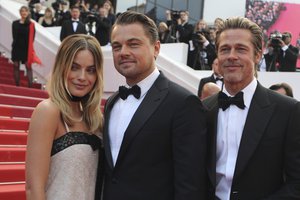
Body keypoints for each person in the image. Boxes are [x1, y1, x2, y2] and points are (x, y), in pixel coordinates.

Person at [96, 10, 207, 200]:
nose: (123, 52)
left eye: (133, 44)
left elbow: (190, 185)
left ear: (156, 48)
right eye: (117, 46)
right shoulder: (112, 102)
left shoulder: (183, 103)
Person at [203, 16, 300, 200]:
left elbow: (297, 184)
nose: (232, 56)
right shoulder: (203, 109)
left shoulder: (289, 111)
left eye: (241, 49)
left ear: (258, 55)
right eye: (225, 49)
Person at [25, 34, 104, 200]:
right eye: (74, 67)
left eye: (90, 70)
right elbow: (34, 189)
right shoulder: (48, 111)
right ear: (62, 67)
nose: (82, 77)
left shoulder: (96, 120)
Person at [11, 5, 38, 87]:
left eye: (25, 11)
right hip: (16, 47)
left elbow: (32, 38)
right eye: (22, 11)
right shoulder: (15, 23)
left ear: (28, 12)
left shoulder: (31, 24)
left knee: (28, 66)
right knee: (16, 65)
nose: (24, 13)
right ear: (20, 13)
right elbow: (14, 36)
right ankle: (17, 85)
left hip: (27, 48)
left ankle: (30, 86)